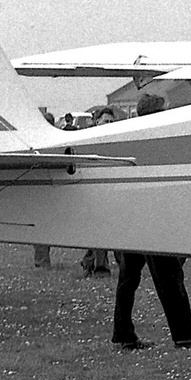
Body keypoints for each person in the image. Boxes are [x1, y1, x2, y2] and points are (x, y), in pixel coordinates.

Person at [110, 92, 191, 349]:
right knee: (170, 276)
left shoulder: (129, 137)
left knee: (127, 280)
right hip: (153, 218)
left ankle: (123, 334)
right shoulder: (158, 141)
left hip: (130, 218)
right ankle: (185, 334)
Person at [81, 107, 120, 277]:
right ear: (97, 122)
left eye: (112, 122)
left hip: (112, 192)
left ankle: (89, 262)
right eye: (106, 121)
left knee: (110, 232)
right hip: (93, 192)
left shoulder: (116, 140)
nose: (109, 124)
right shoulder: (88, 140)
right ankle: (101, 269)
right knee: (99, 232)